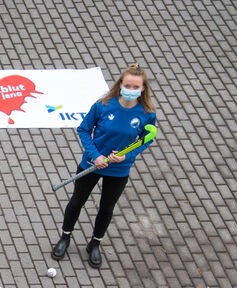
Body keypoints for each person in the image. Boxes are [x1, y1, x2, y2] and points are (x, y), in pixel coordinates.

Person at [50, 63, 158, 268]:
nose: (131, 90)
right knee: (76, 202)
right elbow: (83, 130)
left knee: (106, 208)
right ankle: (65, 237)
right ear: (120, 85)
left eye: (136, 87)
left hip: (118, 170)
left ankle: (95, 243)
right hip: (92, 164)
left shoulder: (147, 113)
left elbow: (146, 139)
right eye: (128, 85)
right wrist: (96, 155)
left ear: (143, 88)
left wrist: (127, 156)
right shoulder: (103, 106)